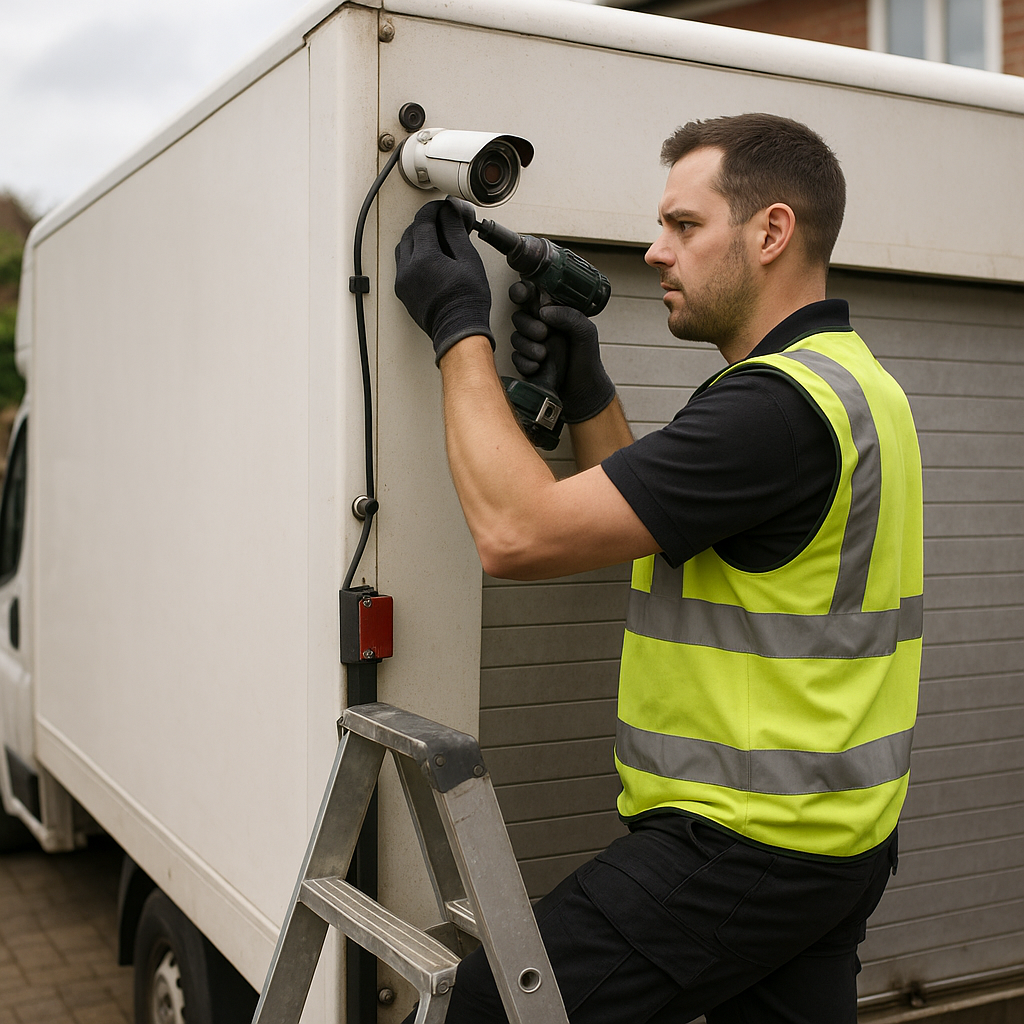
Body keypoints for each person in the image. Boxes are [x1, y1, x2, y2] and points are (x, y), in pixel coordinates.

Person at [394, 113, 923, 1024]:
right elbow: (662, 521)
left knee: (487, 1013)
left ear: (770, 233)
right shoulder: (845, 384)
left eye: (683, 226)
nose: (654, 251)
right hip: (834, 841)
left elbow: (516, 534)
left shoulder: (775, 411)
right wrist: (591, 389)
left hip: (742, 848)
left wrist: (456, 325)